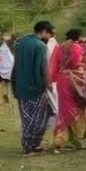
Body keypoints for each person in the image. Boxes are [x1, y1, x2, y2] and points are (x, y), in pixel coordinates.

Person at [12, 22, 55, 155]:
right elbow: (43, 68)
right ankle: (30, 146)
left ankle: (30, 145)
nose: (50, 37)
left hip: (20, 87)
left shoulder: (20, 43)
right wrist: (48, 85)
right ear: (43, 31)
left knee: (27, 119)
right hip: (36, 88)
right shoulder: (40, 46)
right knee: (40, 118)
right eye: (50, 33)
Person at [50, 29, 86, 150]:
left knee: (64, 110)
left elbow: (53, 65)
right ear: (77, 37)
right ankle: (73, 138)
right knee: (75, 108)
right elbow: (76, 62)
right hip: (74, 81)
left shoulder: (59, 47)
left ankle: (62, 138)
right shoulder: (76, 47)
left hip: (62, 81)